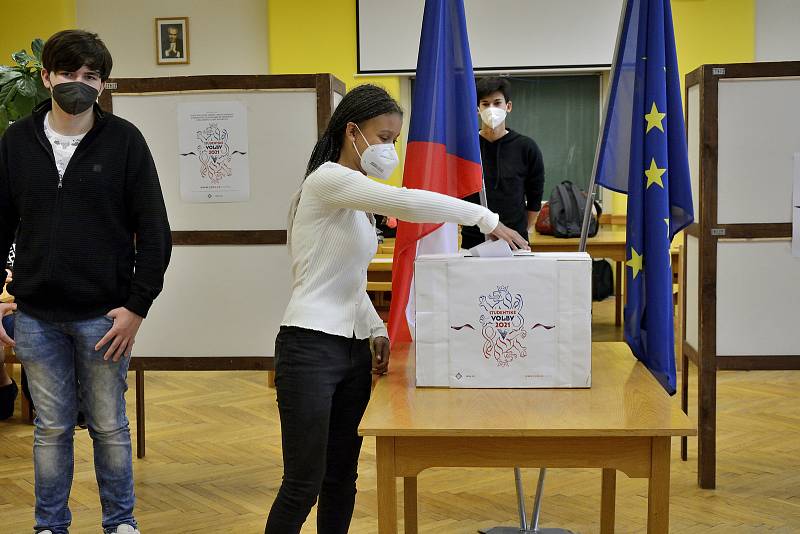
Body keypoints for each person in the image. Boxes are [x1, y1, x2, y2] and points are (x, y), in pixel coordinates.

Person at [264, 84, 529, 534]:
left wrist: (376, 329)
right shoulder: (328, 180)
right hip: (308, 348)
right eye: (383, 137)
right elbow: (406, 201)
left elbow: (349, 283)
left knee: (340, 479)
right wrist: (485, 218)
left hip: (350, 353)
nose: (389, 149)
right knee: (302, 484)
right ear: (353, 132)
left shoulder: (356, 202)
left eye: (394, 139)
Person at [0, 30, 172, 534]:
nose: (79, 83)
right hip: (34, 317)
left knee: (109, 427)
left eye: (90, 76)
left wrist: (137, 307)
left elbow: (156, 231)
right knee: (50, 431)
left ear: (103, 83)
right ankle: (50, 526)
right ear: (46, 76)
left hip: (105, 317)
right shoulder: (15, 141)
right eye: (69, 74)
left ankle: (120, 523)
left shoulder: (124, 141)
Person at [460, 77, 545, 250]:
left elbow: (535, 199)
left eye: (497, 103)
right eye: (485, 104)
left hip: (515, 243)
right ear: (478, 109)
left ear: (508, 106)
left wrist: (518, 229)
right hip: (472, 244)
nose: (492, 109)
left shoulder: (526, 147)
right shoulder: (465, 148)